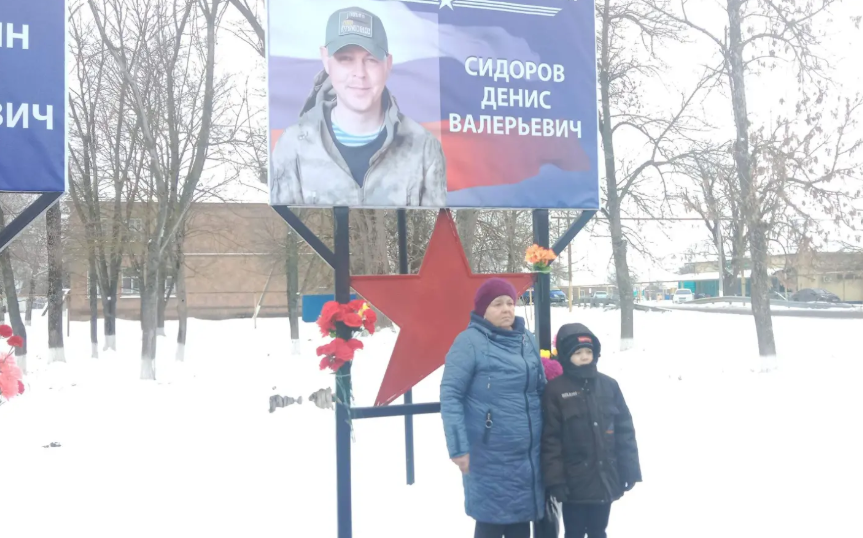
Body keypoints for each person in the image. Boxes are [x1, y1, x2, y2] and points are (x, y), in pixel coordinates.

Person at [269, 6, 447, 207]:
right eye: (345, 59)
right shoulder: (292, 146)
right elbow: (280, 224)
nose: (359, 73)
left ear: (388, 64)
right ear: (326, 60)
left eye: (371, 60)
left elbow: (437, 223)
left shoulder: (424, 148)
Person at [440, 278, 546, 538]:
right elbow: (451, 395)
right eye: (497, 304)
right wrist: (458, 447)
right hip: (488, 453)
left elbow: (540, 388)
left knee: (521, 519)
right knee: (491, 520)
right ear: (482, 310)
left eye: (510, 303)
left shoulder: (526, 339)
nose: (506, 309)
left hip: (528, 453)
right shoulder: (469, 342)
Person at [541, 323, 642, 538]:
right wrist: (555, 480)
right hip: (573, 482)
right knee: (574, 531)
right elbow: (551, 440)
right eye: (578, 353)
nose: (584, 357)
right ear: (566, 355)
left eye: (588, 351)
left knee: (599, 530)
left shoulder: (609, 385)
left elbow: (624, 431)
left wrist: (629, 469)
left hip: (603, 477)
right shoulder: (556, 390)